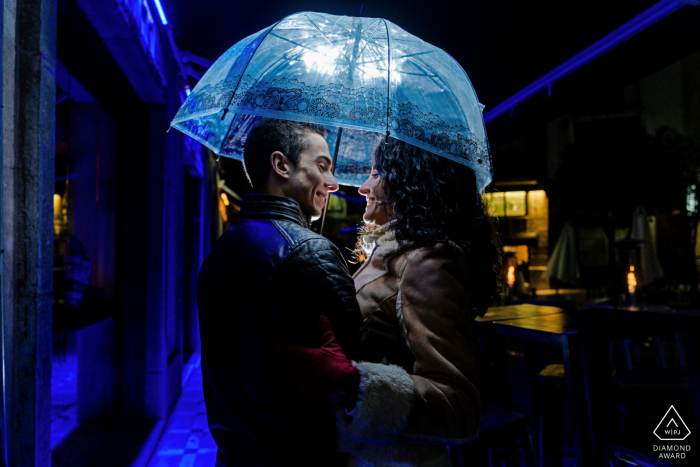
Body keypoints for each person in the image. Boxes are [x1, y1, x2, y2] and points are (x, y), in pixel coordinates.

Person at [283, 139, 503, 466]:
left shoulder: (426, 262)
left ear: (412, 184)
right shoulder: (387, 253)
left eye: (376, 173)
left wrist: (354, 383)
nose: (363, 186)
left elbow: (460, 406)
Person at [196, 117, 377, 466]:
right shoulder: (306, 251)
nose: (333, 183)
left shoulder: (222, 249)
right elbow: (363, 365)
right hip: (298, 454)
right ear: (281, 165)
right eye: (322, 167)